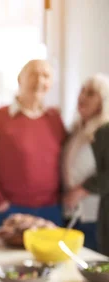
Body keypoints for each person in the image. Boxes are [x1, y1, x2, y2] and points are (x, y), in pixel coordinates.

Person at [0, 59, 66, 228]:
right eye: (34, 74)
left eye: (46, 76)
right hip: (12, 210)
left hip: (52, 211)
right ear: (20, 79)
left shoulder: (55, 119)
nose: (40, 80)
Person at [63, 74, 109, 255]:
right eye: (82, 91)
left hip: (95, 217)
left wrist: (83, 190)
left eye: (90, 93)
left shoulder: (105, 130)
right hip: (72, 214)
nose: (82, 97)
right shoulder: (76, 130)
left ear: (102, 101)